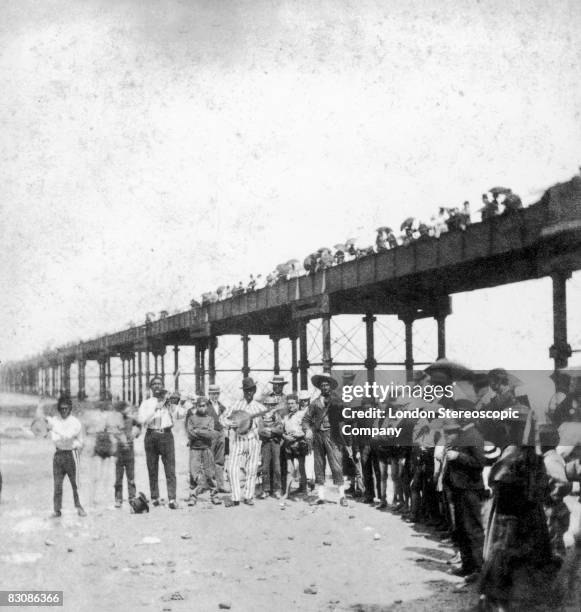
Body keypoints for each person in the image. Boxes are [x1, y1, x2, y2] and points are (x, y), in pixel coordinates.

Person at [442, 418, 485, 582]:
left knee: (472, 530)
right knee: (462, 529)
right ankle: (468, 566)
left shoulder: (474, 435)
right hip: (460, 488)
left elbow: (479, 463)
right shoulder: (464, 434)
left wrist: (458, 456)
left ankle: (478, 568)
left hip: (470, 490)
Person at [302, 374, 349, 506]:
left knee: (336, 466)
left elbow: (346, 416)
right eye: (322, 385)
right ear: (319, 387)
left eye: (327, 384)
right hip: (318, 436)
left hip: (332, 435)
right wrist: (308, 430)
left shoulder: (338, 401)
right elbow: (306, 420)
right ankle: (321, 496)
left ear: (331, 386)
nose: (324, 387)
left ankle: (342, 496)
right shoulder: (315, 403)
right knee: (319, 465)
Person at [221, 377, 265, 507]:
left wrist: (261, 429)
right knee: (232, 468)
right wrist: (230, 423)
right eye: (246, 390)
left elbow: (263, 425)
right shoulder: (236, 405)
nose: (249, 393)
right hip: (239, 439)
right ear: (243, 391)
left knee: (252, 469)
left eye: (251, 390)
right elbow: (222, 418)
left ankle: (248, 496)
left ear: (254, 390)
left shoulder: (259, 407)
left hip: (253, 439)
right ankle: (235, 497)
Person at [138, 376, 178, 509]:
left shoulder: (169, 402)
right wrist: (155, 407)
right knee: (152, 468)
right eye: (154, 384)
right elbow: (142, 420)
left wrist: (176, 404)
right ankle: (155, 497)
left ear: (162, 386)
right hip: (151, 435)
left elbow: (179, 414)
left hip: (166, 435)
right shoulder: (146, 403)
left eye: (159, 384)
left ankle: (172, 498)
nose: (157, 386)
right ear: (151, 387)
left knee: (170, 469)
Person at [46, 394, 86, 518]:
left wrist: (54, 428)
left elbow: (68, 436)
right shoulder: (56, 421)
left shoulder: (75, 422)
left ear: (70, 408)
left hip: (71, 453)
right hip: (58, 454)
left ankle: (79, 507)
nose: (64, 410)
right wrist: (53, 429)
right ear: (59, 408)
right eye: (62, 408)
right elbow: (55, 439)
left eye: (66, 408)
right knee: (57, 484)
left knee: (76, 483)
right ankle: (57, 510)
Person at [539, 424, 572, 565]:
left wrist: (552, 496)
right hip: (555, 509)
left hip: (554, 511)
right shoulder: (552, 458)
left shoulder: (550, 461)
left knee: (555, 549)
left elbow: (564, 482)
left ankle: (559, 581)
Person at [185, 397, 222, 506]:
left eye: (204, 405)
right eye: (200, 406)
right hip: (194, 449)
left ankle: (214, 495)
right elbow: (190, 433)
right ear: (196, 406)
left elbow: (210, 434)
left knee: (210, 473)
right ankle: (193, 496)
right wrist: (203, 432)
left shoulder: (210, 419)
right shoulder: (191, 418)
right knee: (194, 473)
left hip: (207, 448)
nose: (202, 408)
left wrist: (197, 431)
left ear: (207, 406)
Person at [113, 401, 141, 509]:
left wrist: (136, 433)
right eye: (125, 409)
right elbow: (112, 432)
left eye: (128, 409)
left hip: (130, 450)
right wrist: (119, 438)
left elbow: (139, 425)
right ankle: (118, 499)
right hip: (119, 451)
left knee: (131, 476)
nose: (127, 411)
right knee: (118, 477)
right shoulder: (115, 421)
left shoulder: (131, 419)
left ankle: (132, 497)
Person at [281, 392, 309, 497]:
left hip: (300, 443)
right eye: (289, 403)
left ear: (297, 404)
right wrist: (285, 436)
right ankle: (287, 493)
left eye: (293, 403)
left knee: (301, 468)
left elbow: (307, 430)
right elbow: (282, 431)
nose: (290, 405)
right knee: (290, 470)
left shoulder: (302, 414)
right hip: (288, 444)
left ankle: (304, 490)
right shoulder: (286, 417)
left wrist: (298, 435)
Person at [258, 396, 284, 498]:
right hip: (265, 444)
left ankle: (277, 489)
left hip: (275, 443)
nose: (270, 407)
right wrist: (272, 430)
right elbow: (260, 431)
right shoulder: (262, 417)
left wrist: (270, 430)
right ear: (265, 405)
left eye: (272, 405)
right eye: (268, 405)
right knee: (265, 467)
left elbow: (280, 430)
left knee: (277, 467)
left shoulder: (277, 416)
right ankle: (266, 489)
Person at [207, 384, 228, 492]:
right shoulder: (205, 406)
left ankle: (220, 485)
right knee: (209, 460)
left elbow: (226, 418)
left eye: (217, 394)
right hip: (210, 434)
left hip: (221, 434)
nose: (215, 396)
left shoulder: (222, 407)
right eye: (213, 393)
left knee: (220, 460)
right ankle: (211, 486)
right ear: (209, 394)